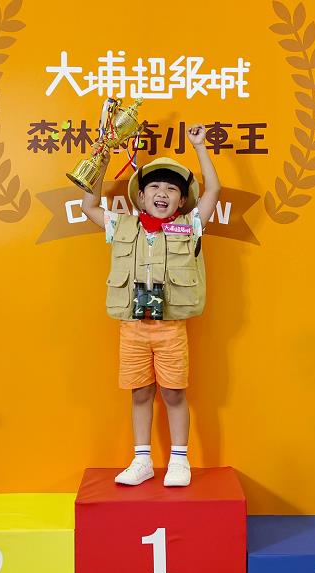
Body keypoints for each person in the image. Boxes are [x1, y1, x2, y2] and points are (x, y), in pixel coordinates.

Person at [79, 124, 220, 487]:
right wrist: (103, 157)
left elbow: (213, 191)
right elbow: (88, 205)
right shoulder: (121, 226)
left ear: (182, 200)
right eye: (154, 187)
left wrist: (199, 146)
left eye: (171, 189)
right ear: (140, 197)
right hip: (133, 328)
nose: (162, 193)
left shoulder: (190, 225)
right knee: (140, 392)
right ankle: (141, 460)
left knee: (173, 392)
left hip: (171, 328)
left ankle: (179, 461)